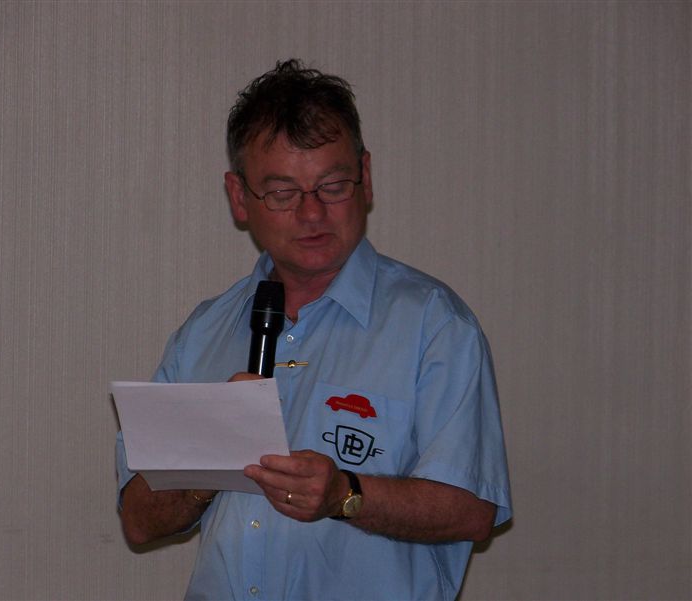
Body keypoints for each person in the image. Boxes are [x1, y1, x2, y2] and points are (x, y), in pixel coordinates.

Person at [116, 59, 512, 600]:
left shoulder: (435, 325)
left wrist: (345, 495)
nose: (311, 213)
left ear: (365, 178)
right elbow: (138, 521)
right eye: (282, 192)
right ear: (239, 197)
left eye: (332, 185)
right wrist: (211, 456)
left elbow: (473, 510)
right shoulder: (204, 332)